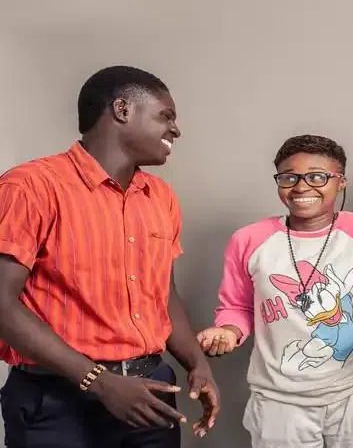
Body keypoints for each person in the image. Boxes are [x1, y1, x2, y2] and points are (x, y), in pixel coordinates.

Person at [0, 65, 220, 448]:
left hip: (149, 391)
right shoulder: (30, 187)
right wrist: (99, 382)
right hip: (56, 400)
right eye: (165, 116)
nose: (175, 130)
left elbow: (164, 296)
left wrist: (197, 364)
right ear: (122, 109)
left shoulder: (161, 197)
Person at [196, 134, 353, 448]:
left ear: (341, 182)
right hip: (278, 400)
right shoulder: (248, 239)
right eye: (289, 177)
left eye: (317, 177)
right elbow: (237, 307)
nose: (301, 187)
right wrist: (228, 332)